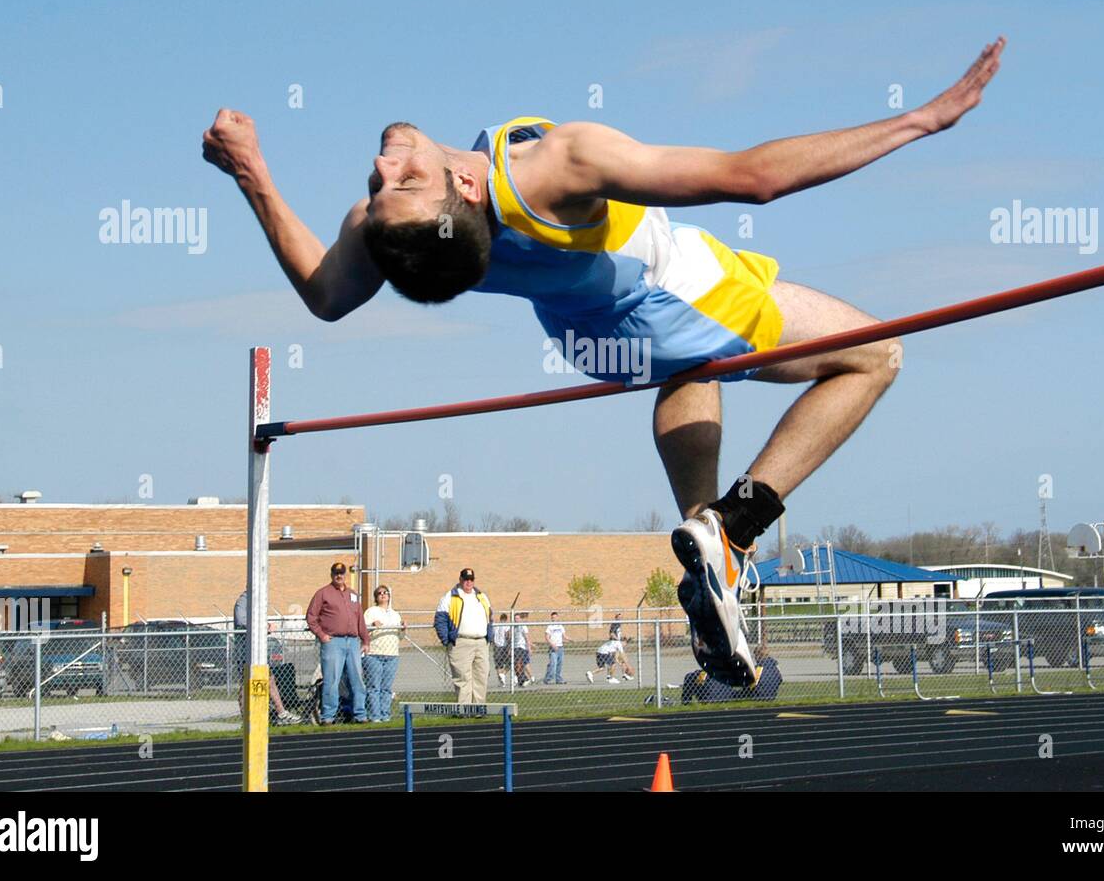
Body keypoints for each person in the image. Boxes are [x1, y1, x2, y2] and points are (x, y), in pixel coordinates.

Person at [203, 37, 1004, 686]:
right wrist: (921, 121)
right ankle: (738, 527)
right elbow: (751, 179)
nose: (384, 167)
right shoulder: (558, 167)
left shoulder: (399, 228)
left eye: (384, 183)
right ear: (465, 192)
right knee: (873, 355)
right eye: (401, 180)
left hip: (590, 338)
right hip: (669, 290)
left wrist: (253, 172)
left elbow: (326, 295)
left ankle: (712, 564)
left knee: (694, 375)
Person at [305, 563, 370, 724]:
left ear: (345, 575)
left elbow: (359, 619)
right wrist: (322, 635)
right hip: (333, 642)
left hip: (353, 642)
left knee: (357, 680)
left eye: (341, 573)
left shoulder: (352, 595)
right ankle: (328, 717)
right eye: (336, 573)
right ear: (331, 574)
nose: (339, 576)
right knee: (331, 681)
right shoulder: (323, 594)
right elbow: (311, 617)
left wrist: (365, 640)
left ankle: (360, 714)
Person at [233, 589, 299, 725]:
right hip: (245, 651)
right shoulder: (243, 601)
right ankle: (247, 719)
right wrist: (265, 626)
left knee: (269, 679)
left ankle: (281, 712)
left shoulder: (256, 602)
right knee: (246, 684)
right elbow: (241, 620)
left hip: (258, 650)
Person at [433, 568, 493, 704]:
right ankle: (464, 709)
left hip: (481, 642)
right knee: (463, 678)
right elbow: (440, 620)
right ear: (460, 580)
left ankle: (479, 708)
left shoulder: (481, 596)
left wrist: (489, 635)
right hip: (461, 642)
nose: (468, 582)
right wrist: (447, 640)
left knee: (481, 676)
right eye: (466, 579)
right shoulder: (450, 596)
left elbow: (490, 616)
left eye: (471, 579)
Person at [363, 585, 404, 723]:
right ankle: (374, 716)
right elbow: (363, 630)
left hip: (392, 654)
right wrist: (372, 625)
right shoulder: (371, 611)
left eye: (385, 592)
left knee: (386, 688)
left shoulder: (395, 614)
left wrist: (403, 628)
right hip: (374, 653)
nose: (383, 595)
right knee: (374, 687)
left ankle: (385, 714)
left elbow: (401, 636)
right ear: (376, 597)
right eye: (379, 593)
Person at [543, 612, 570, 684]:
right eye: (552, 618)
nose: (554, 619)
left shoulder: (560, 626)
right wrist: (552, 645)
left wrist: (568, 639)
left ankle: (559, 679)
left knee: (559, 664)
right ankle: (547, 679)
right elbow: (547, 637)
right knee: (553, 664)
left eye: (555, 617)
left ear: (558, 617)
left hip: (560, 647)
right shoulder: (550, 627)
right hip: (553, 648)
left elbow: (564, 636)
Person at [512, 612, 536, 686]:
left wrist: (529, 647)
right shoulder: (513, 627)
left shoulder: (523, 626)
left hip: (521, 647)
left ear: (520, 619)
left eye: (518, 618)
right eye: (515, 618)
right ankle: (531, 677)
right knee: (525, 663)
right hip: (515, 647)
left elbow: (526, 637)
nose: (516, 620)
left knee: (519, 663)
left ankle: (521, 678)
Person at [492, 613, 512, 686]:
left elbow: (493, 636)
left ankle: (501, 681)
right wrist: (510, 644)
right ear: (506, 619)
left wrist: (494, 645)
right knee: (509, 663)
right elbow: (507, 636)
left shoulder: (495, 626)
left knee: (498, 665)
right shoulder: (506, 626)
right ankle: (503, 674)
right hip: (504, 647)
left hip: (497, 646)